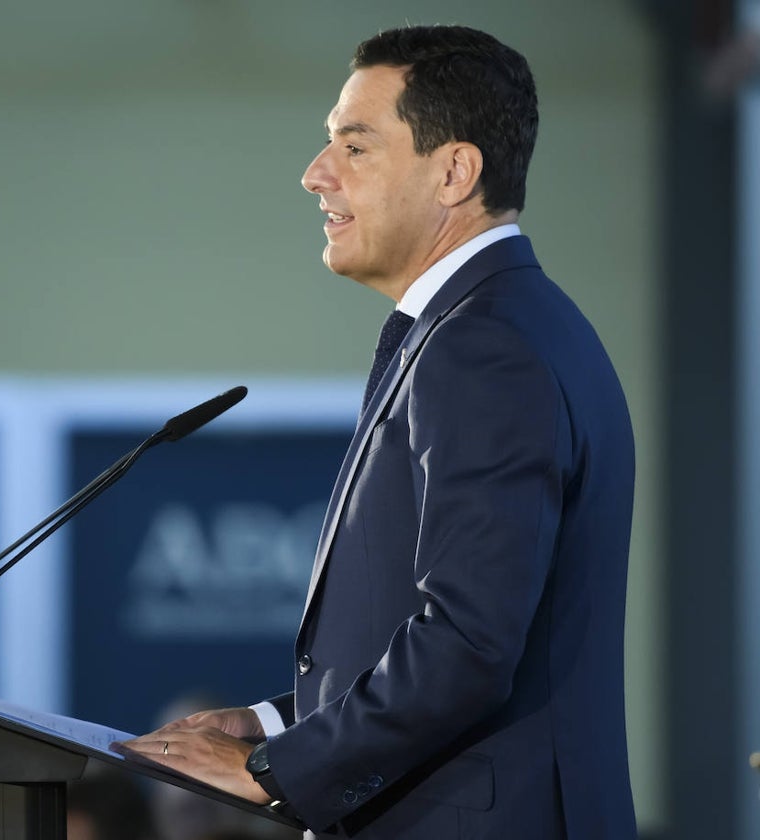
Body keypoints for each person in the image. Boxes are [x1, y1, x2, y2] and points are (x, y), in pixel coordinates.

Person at [119, 25, 637, 839]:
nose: (315, 174)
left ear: (455, 172)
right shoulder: (498, 325)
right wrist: (274, 725)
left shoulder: (485, 345)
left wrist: (274, 774)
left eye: (354, 147)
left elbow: (467, 642)